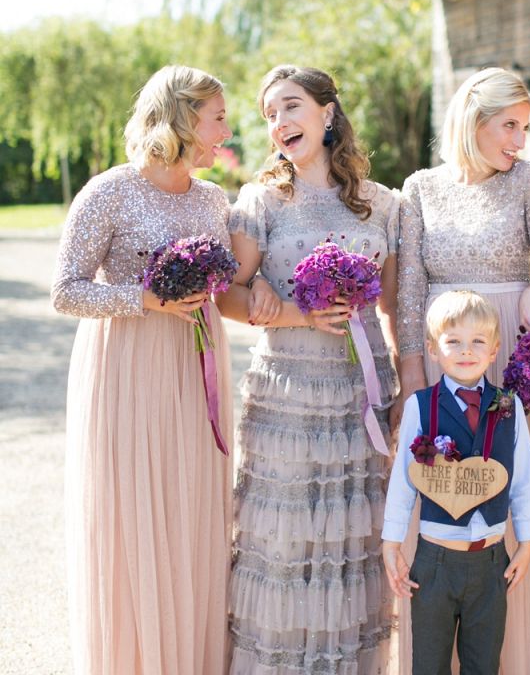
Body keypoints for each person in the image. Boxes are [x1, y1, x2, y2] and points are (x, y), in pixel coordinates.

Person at [51, 65, 235, 674]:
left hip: (198, 365)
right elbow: (66, 292)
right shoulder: (108, 191)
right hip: (126, 368)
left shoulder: (214, 199)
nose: (226, 131)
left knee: (192, 507)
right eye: (218, 118)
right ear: (183, 119)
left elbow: (229, 283)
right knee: (133, 513)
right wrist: (145, 299)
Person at [217, 65, 399, 674]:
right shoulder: (259, 202)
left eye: (290, 107)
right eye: (269, 115)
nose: (279, 123)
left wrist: (408, 392)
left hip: (361, 392)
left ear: (327, 111)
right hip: (288, 398)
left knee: (353, 545)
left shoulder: (384, 205)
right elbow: (229, 297)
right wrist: (297, 314)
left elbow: (397, 308)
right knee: (289, 545)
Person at [397, 67, 530, 673]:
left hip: (503, 358)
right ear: (473, 122)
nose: (520, 140)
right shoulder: (418, 188)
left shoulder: (529, 182)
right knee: (435, 495)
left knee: (503, 493)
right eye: (510, 126)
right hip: (442, 356)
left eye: (524, 127)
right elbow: (411, 282)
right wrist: (413, 372)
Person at [383, 290, 530, 675]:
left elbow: (522, 478)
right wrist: (391, 542)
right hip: (434, 564)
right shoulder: (422, 406)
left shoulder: (509, 405)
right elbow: (403, 482)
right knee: (429, 665)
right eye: (453, 341)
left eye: (477, 342)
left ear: (494, 349)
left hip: (491, 562)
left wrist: (528, 541)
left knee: (484, 665)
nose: (466, 351)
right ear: (434, 349)